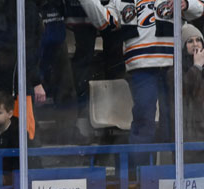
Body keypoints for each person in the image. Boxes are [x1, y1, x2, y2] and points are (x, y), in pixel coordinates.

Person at [78, 0, 203, 147]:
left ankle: (170, 161)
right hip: (141, 67)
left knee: (173, 121)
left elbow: (199, 7)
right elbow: (105, 22)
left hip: (172, 66)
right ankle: (140, 161)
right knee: (144, 119)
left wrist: (186, 3)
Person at [183, 24, 204, 154]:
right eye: (190, 41)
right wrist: (197, 66)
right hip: (190, 135)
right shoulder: (175, 71)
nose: (195, 44)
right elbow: (184, 90)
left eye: (198, 40)